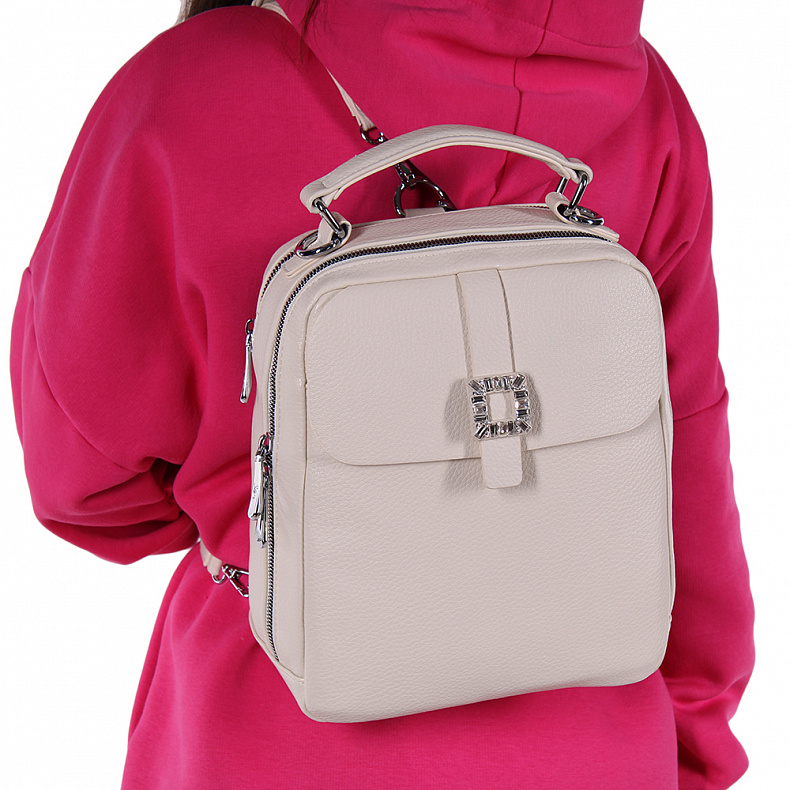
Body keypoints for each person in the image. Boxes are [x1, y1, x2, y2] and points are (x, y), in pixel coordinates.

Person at [10, 0, 755, 787]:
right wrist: (687, 753)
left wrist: (245, 509)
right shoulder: (648, 103)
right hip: (598, 750)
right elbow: (685, 478)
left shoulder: (192, 85)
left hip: (271, 743)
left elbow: (81, 483)